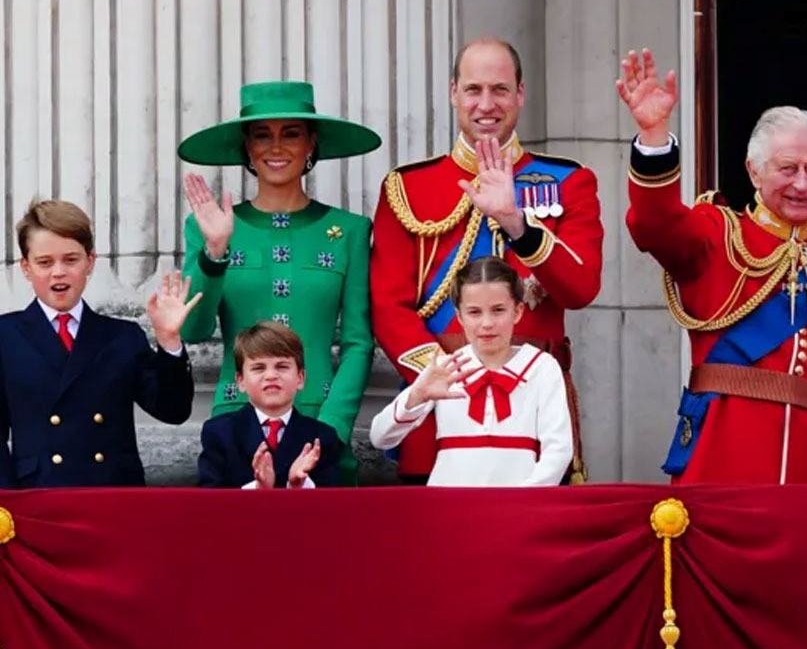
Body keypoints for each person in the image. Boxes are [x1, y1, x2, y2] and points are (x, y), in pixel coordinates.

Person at [617, 48, 807, 484]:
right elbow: (655, 225)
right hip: (720, 465)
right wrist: (654, 137)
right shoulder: (717, 235)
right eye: (787, 169)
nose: (802, 183)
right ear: (754, 171)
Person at [371, 36, 602, 485]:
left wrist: (519, 225)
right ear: (453, 92)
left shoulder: (569, 181)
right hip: (441, 411)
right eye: (474, 89)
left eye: (499, 89)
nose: (486, 104)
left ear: (521, 93)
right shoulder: (409, 188)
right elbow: (387, 307)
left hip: (535, 408)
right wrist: (444, 382)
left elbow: (582, 287)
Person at [178, 80, 379, 484]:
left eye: (291, 134)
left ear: (311, 144)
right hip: (236, 426)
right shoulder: (210, 227)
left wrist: (332, 429)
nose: (276, 147)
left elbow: (359, 342)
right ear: (246, 147)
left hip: (321, 424)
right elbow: (193, 330)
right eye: (262, 135)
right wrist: (215, 250)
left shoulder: (350, 230)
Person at [0, 199, 199, 487]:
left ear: (89, 262)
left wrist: (168, 341)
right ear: (26, 268)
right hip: (38, 496)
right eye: (45, 262)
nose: (58, 272)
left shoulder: (123, 336)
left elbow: (173, 411)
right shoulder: (6, 336)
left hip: (112, 494)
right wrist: (6, 505)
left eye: (71, 260)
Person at [369, 257, 572, 486]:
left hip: (518, 508)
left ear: (517, 311)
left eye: (498, 310)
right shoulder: (446, 368)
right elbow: (380, 437)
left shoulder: (542, 367)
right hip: (449, 508)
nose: (487, 323)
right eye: (475, 312)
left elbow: (559, 450)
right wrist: (417, 395)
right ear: (460, 316)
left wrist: (523, 501)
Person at [198, 322, 342, 488]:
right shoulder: (219, 433)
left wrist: (297, 484)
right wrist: (259, 488)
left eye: (282, 367)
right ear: (241, 381)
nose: (271, 375)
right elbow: (209, 502)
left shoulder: (322, 437)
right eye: (259, 368)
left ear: (300, 378)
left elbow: (330, 505)